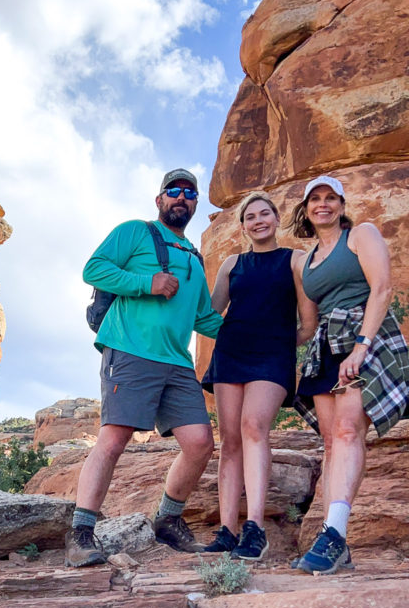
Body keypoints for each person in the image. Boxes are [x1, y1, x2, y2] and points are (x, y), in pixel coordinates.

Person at [65, 168, 223, 567]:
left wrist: (255, 330)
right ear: (159, 200)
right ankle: (80, 534)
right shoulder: (136, 232)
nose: (181, 198)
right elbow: (94, 269)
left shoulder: (193, 257)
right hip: (131, 351)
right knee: (114, 439)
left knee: (201, 442)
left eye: (189, 193)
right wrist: (146, 282)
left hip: (177, 362)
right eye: (174, 191)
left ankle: (168, 521)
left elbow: (204, 317)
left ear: (195, 204)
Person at [290, 175, 409, 573]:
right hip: (325, 346)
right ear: (305, 209)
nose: (322, 204)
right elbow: (307, 325)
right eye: (315, 199)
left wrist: (361, 347)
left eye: (330, 198)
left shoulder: (361, 234)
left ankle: (335, 535)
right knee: (330, 442)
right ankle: (331, 538)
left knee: (347, 431)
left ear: (341, 204)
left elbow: (382, 289)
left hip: (362, 336)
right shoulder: (306, 263)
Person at [200, 192, 318, 560]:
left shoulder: (295, 261)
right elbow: (210, 311)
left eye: (264, 213)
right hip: (231, 353)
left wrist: (281, 343)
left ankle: (255, 528)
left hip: (271, 357)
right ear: (243, 226)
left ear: (276, 218)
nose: (258, 221)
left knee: (254, 426)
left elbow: (309, 323)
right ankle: (227, 531)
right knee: (230, 440)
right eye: (250, 216)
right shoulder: (232, 264)